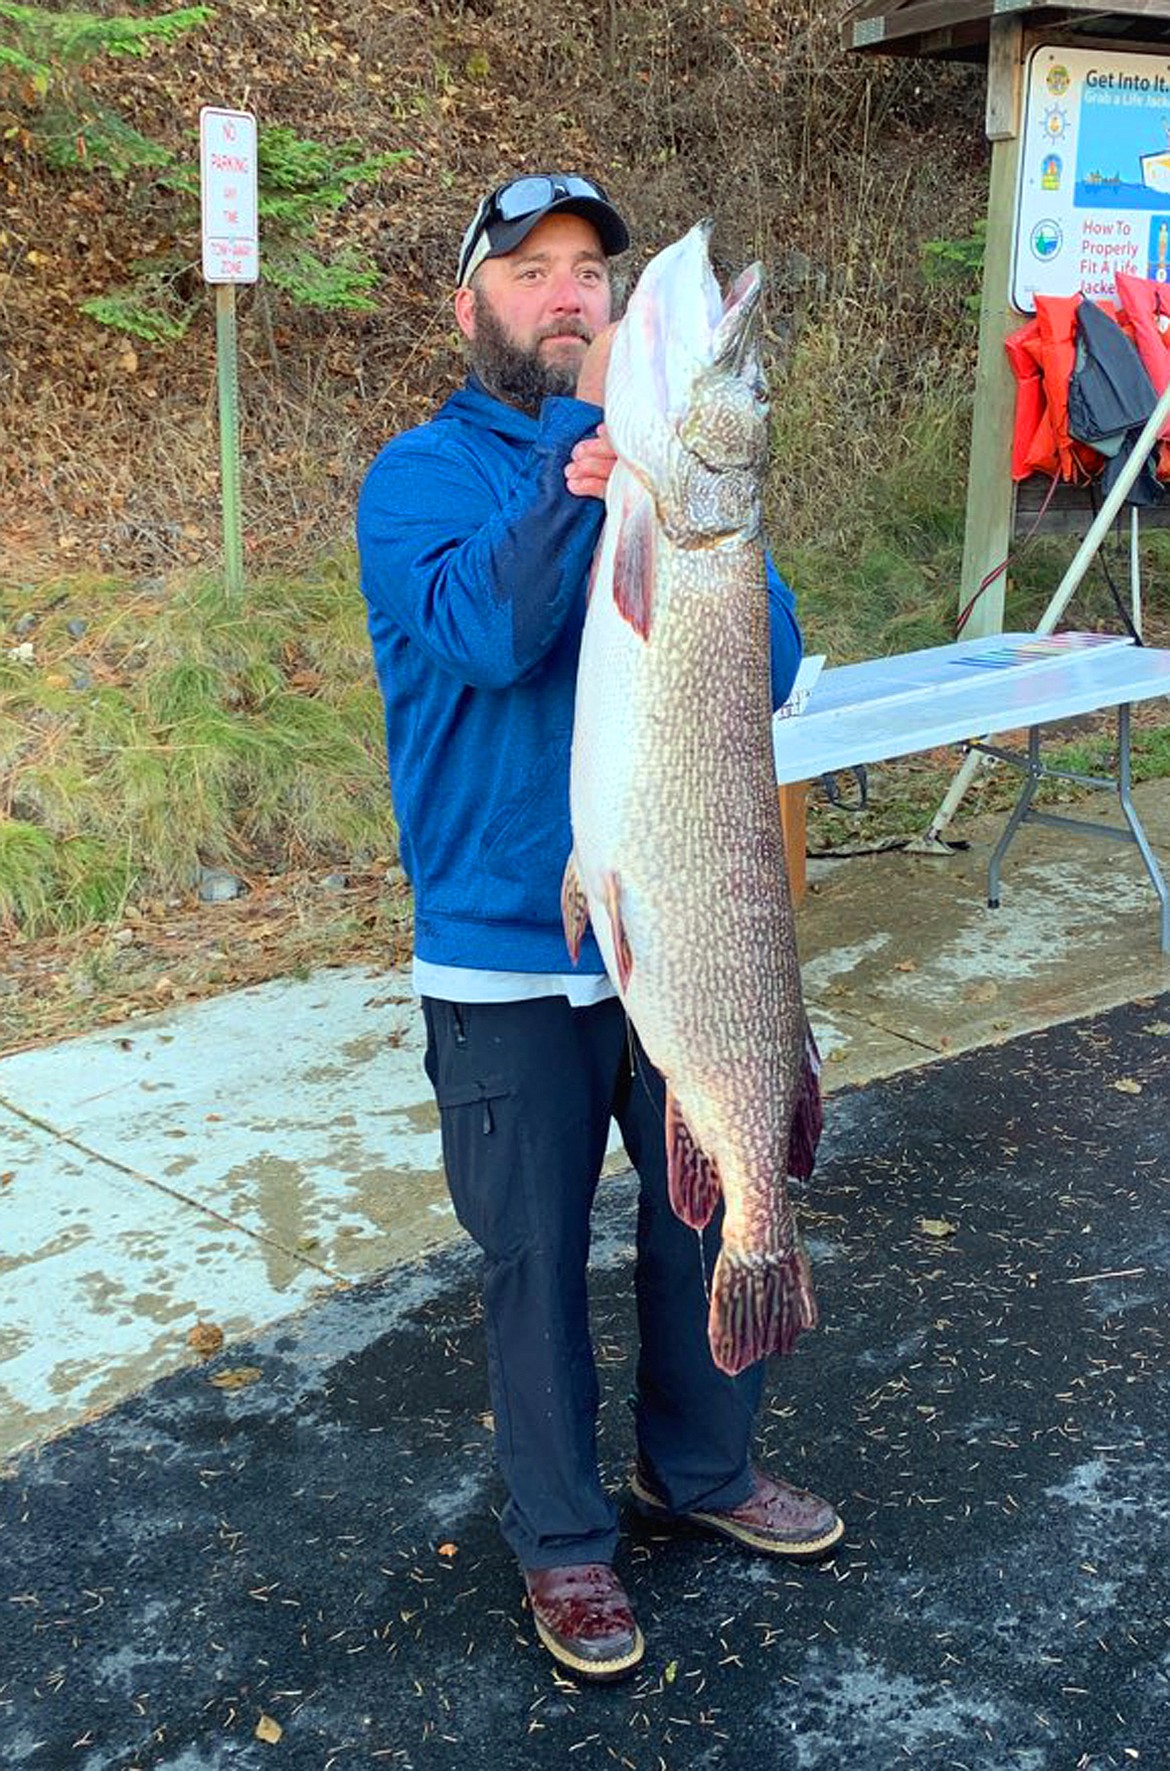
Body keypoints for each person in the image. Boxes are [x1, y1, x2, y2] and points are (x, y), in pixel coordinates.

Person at [356, 173, 843, 1684]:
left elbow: (763, 661)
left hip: (676, 929)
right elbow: (484, 637)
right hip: (506, 948)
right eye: (532, 272)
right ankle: (566, 1548)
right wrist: (586, 468)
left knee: (714, 1193)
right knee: (532, 1258)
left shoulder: (659, 473)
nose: (570, 294)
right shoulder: (420, 477)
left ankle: (699, 1475)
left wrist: (676, 493)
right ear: (471, 308)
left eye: (591, 275)